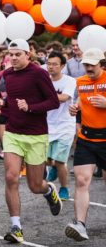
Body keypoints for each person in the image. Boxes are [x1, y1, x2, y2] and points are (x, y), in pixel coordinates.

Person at [0, 39, 61, 244]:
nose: (13, 58)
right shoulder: (6, 75)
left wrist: (30, 107)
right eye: (11, 55)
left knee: (35, 185)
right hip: (13, 133)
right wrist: (1, 104)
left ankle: (48, 190)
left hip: (36, 136)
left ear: (28, 55)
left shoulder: (39, 74)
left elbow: (53, 101)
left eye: (18, 54)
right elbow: (11, 103)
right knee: (11, 177)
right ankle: (16, 227)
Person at [66, 48, 106, 241]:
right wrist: (75, 110)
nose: (88, 68)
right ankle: (80, 224)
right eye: (86, 64)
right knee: (82, 181)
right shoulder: (80, 82)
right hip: (87, 139)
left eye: (92, 64)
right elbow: (81, 104)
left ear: (101, 63)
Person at [45, 51, 77, 201]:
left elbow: (64, 98)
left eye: (55, 64)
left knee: (59, 161)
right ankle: (54, 169)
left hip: (65, 125)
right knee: (45, 160)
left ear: (62, 66)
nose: (51, 67)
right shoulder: (44, 79)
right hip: (47, 125)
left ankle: (64, 188)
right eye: (49, 64)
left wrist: (44, 97)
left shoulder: (69, 81)